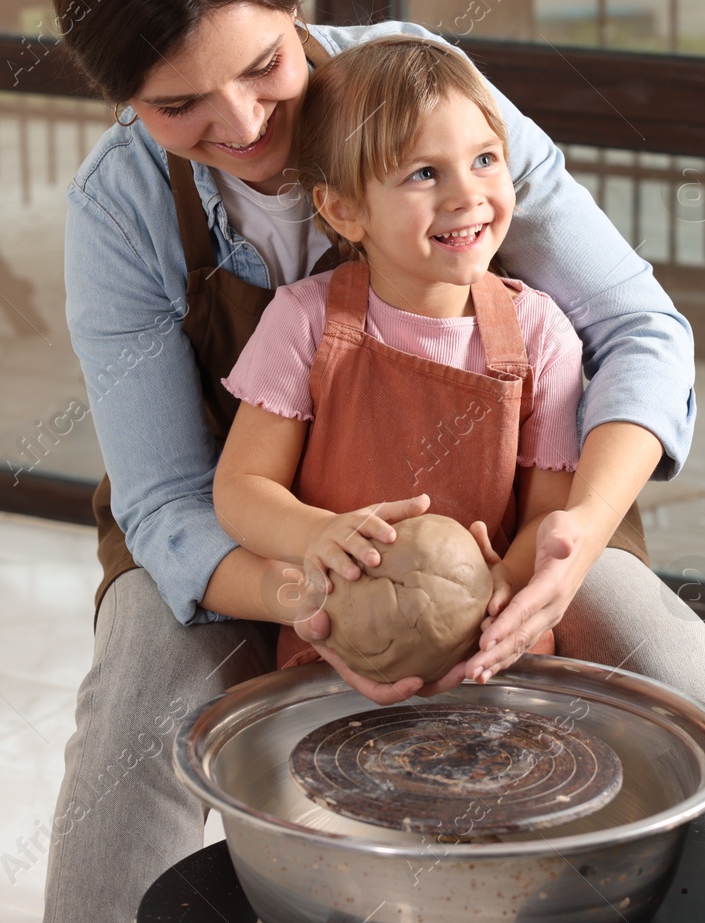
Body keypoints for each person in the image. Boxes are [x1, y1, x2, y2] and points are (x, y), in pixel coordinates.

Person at [44, 0, 705, 919]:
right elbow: (169, 500)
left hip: (514, 521)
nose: (240, 125)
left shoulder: (425, 96)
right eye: (178, 104)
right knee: (135, 704)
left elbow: (638, 328)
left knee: (689, 691)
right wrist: (309, 600)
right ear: (124, 100)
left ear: (294, 7)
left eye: (265, 65)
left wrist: (574, 537)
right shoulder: (119, 208)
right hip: (255, 534)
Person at [212, 35, 580, 681]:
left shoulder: (540, 334)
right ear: (344, 209)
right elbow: (240, 489)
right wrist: (314, 537)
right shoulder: (305, 321)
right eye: (424, 173)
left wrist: (506, 582)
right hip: (330, 652)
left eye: (486, 159)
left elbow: (549, 511)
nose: (467, 194)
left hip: (490, 655)